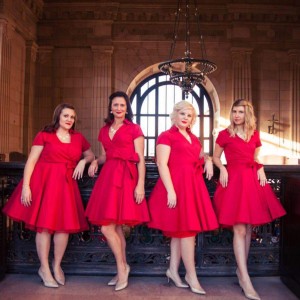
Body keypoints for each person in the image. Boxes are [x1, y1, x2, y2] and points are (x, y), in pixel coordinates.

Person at [2, 103, 94, 288]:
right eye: (66, 116)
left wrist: (84, 162)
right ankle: (44, 268)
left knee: (64, 228)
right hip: (45, 184)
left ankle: (56, 265)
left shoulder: (78, 138)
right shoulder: (44, 135)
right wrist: (26, 186)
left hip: (67, 186)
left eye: (72, 117)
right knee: (44, 227)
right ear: (58, 116)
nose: (69, 119)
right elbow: (31, 161)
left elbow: (91, 155)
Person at [212, 99, 286, 300]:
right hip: (234, 181)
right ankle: (245, 277)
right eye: (234, 111)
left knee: (249, 228)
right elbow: (215, 157)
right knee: (239, 228)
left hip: (251, 180)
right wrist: (223, 168)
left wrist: (260, 167)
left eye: (241, 112)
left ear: (247, 114)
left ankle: (240, 271)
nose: (236, 115)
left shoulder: (254, 134)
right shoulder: (225, 134)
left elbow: (254, 157)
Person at [147, 100, 219, 295]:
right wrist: (170, 190)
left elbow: (200, 154)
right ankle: (191, 275)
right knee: (187, 232)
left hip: (193, 188)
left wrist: (209, 160)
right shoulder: (166, 136)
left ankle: (172, 270)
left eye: (189, 115)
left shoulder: (193, 138)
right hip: (176, 187)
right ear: (175, 115)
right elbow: (162, 164)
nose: (186, 118)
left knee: (182, 231)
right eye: (183, 114)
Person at [85, 91, 149, 291]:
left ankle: (122, 268)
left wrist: (140, 185)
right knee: (115, 227)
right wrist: (96, 160)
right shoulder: (104, 130)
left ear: (127, 108)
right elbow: (106, 155)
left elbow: (140, 159)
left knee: (108, 227)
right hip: (108, 178)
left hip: (127, 177)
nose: (119, 108)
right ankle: (123, 266)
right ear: (110, 108)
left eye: (122, 105)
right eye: (115, 105)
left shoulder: (134, 129)